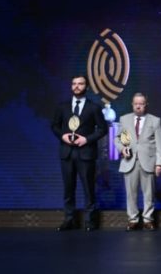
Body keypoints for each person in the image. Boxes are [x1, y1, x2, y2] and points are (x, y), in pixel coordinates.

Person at [51, 75, 108, 231]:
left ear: (86, 87)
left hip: (86, 153)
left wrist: (87, 139)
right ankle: (69, 219)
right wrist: (62, 136)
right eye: (74, 83)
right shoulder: (62, 107)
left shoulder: (94, 107)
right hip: (67, 153)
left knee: (88, 188)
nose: (76, 86)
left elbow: (103, 129)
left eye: (80, 84)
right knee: (68, 188)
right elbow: (54, 126)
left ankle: (90, 221)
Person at [115, 92, 161, 231]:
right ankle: (133, 219)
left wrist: (159, 163)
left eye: (141, 104)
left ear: (146, 105)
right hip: (129, 161)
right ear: (132, 104)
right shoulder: (124, 119)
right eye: (136, 104)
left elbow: (160, 143)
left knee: (148, 193)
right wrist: (122, 149)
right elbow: (117, 138)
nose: (138, 106)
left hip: (148, 161)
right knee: (131, 194)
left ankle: (148, 219)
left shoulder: (155, 120)